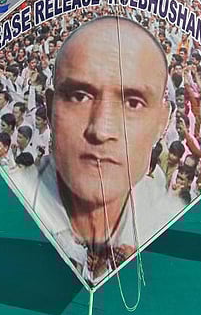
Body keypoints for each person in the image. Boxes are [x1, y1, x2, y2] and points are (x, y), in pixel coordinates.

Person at [14, 16, 184, 286]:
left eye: (133, 102)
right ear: (50, 107)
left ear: (163, 121)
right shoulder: (19, 186)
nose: (101, 130)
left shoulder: (167, 208)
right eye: (80, 96)